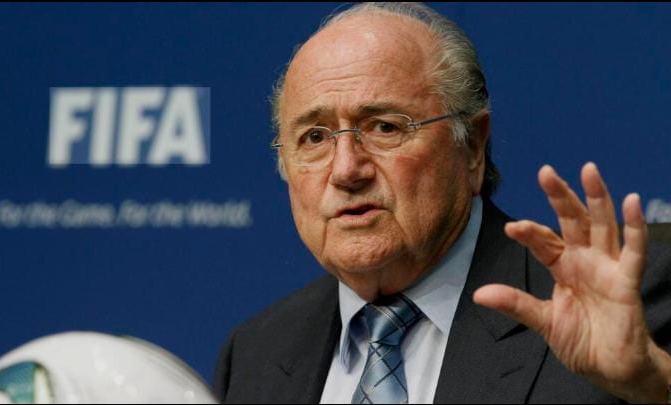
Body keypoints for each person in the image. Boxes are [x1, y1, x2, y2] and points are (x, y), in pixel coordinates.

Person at [213, 3, 671, 403]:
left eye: (385, 127)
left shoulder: (630, 299)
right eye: (315, 138)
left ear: (472, 146)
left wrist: (654, 384)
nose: (347, 169)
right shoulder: (256, 353)